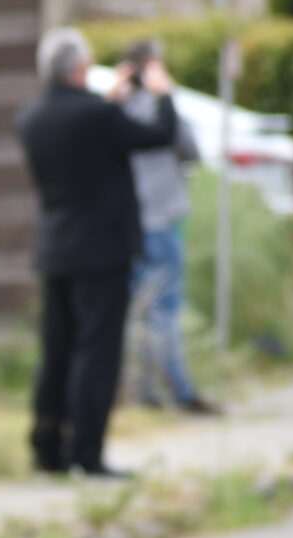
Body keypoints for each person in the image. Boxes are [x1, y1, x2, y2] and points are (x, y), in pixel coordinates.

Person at [16, 27, 183, 477]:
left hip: (54, 248)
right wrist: (163, 93)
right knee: (97, 351)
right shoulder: (98, 115)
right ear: (79, 68)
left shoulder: (31, 118)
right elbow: (160, 134)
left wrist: (110, 101)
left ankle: (47, 448)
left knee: (56, 350)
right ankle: (86, 453)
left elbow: (84, 130)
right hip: (102, 251)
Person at [119, 40, 220, 415]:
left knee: (137, 311)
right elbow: (191, 150)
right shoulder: (163, 108)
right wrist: (167, 94)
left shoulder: (116, 110)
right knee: (165, 309)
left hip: (128, 226)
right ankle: (180, 390)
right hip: (162, 220)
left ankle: (143, 391)